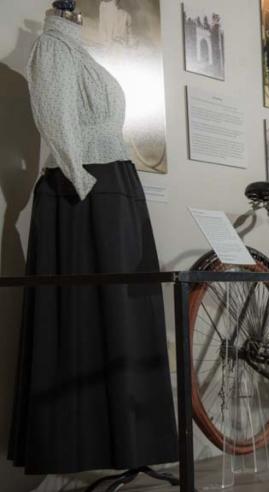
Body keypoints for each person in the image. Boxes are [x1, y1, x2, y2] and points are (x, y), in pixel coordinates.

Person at [9, 10, 177, 474]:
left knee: (127, 315)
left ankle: (131, 445)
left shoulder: (79, 51)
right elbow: (54, 118)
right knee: (92, 318)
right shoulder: (54, 48)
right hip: (88, 192)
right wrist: (83, 184)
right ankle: (92, 448)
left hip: (110, 187)